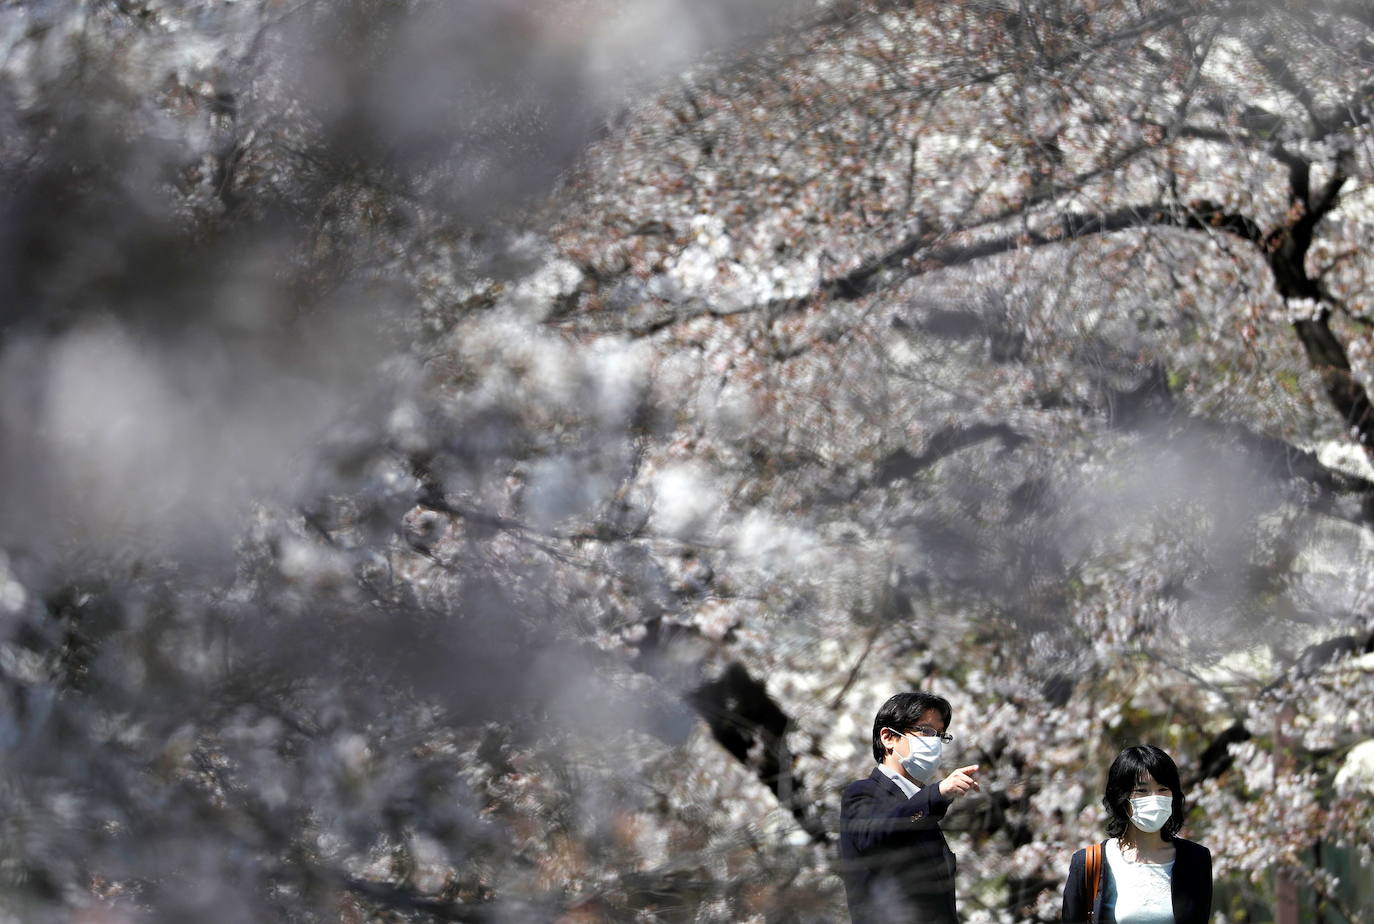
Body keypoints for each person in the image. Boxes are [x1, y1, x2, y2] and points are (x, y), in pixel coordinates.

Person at [838, 691, 981, 923]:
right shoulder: (863, 792)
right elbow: (873, 835)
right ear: (888, 737)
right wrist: (937, 793)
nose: (934, 742)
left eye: (940, 735)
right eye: (925, 731)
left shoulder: (921, 807)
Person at [1062, 744, 1212, 924]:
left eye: (1163, 789)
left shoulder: (1196, 859)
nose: (1154, 798)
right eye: (1142, 791)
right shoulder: (1087, 862)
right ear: (1121, 797)